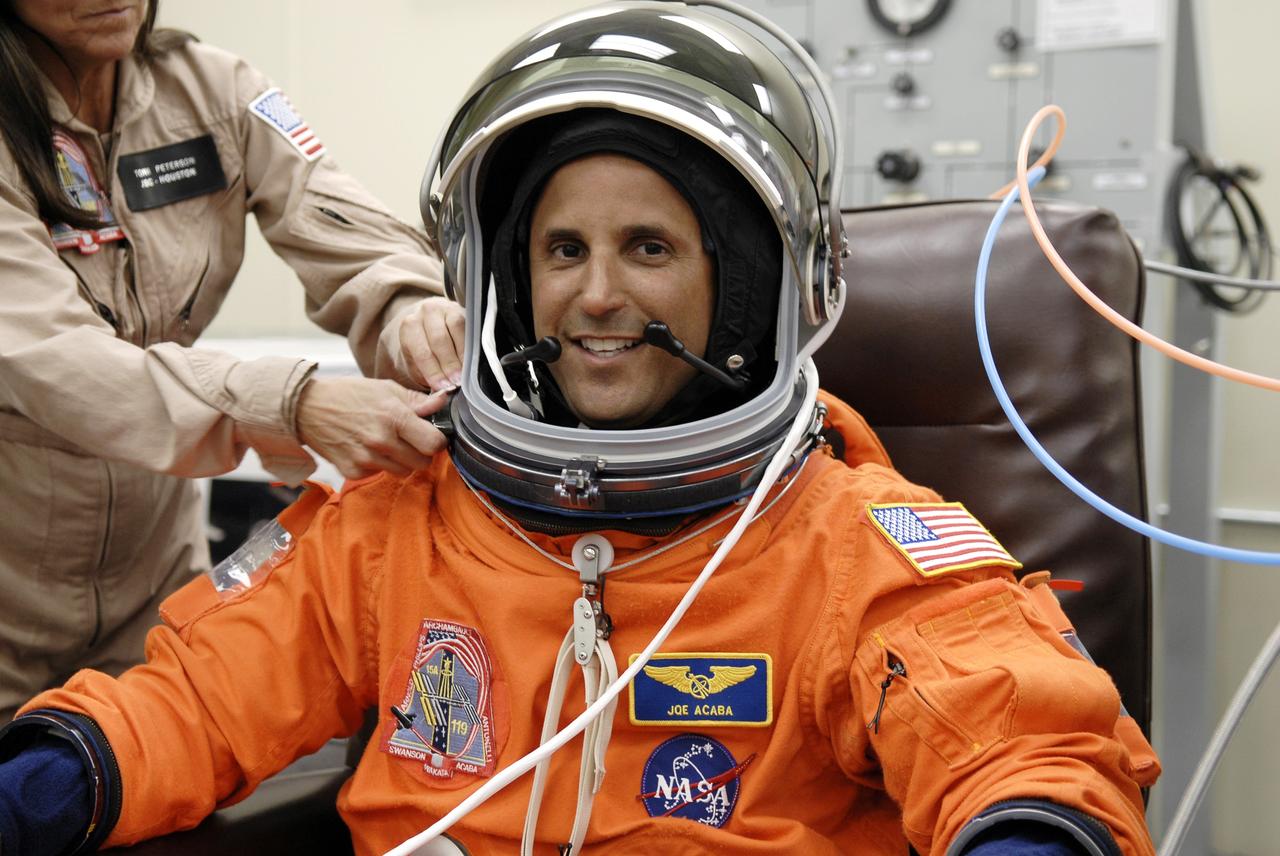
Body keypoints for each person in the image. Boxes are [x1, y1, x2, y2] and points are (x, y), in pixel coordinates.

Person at [0, 2, 1161, 854]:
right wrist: (46, 782)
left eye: (648, 248)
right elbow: (191, 700)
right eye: (563, 251)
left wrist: (1033, 833)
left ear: (751, 286)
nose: (596, 296)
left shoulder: (855, 546)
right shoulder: (402, 522)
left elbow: (1023, 746)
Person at [0, 0, 465, 720]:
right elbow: (59, 361)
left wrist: (415, 312)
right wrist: (295, 404)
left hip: (153, 584)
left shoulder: (219, 93)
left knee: (166, 803)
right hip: (11, 590)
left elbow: (350, 230)